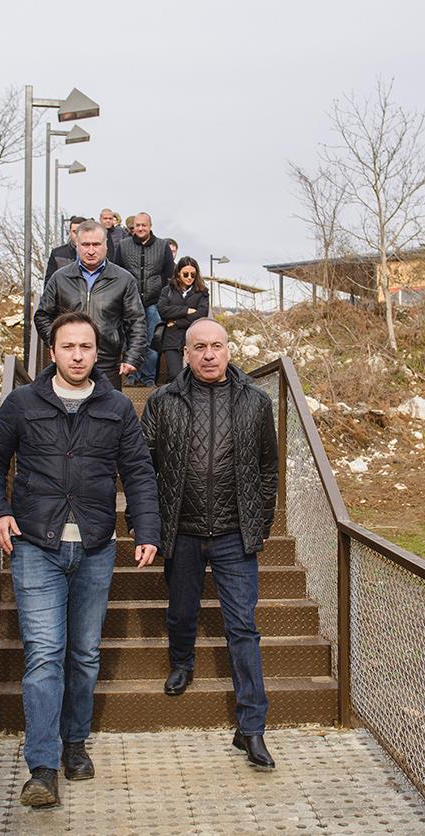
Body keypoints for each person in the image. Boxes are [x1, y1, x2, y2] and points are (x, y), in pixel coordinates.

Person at [0, 310, 160, 809]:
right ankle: (42, 767)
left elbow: (138, 471)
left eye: (86, 347)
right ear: (52, 352)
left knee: (84, 653)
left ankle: (75, 742)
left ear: (97, 353)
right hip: (36, 545)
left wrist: (146, 528)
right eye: (68, 347)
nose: (77, 356)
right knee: (43, 655)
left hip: (96, 546)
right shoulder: (23, 402)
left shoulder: (117, 407)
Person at [140, 318, 278, 770]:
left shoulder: (256, 401)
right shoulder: (162, 400)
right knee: (182, 612)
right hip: (182, 530)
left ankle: (252, 727)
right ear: (185, 353)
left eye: (217, 346)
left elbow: (268, 469)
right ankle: (182, 661)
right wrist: (148, 524)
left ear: (228, 350)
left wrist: (259, 523)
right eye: (199, 347)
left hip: (235, 535)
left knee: (243, 628)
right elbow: (142, 467)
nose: (209, 354)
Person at [34, 220, 146, 390]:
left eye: (96, 244)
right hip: (68, 362)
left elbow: (136, 320)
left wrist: (133, 357)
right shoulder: (60, 278)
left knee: (108, 407)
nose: (91, 250)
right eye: (86, 245)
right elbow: (42, 315)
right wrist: (60, 342)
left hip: (107, 363)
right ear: (77, 245)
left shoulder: (124, 279)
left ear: (106, 245)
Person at [116, 212, 174, 387]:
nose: (140, 228)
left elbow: (168, 274)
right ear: (133, 227)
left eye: (144, 225)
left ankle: (148, 378)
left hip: (153, 302)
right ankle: (132, 376)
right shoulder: (123, 246)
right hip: (129, 302)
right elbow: (117, 272)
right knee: (130, 340)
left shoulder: (162, 246)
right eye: (137, 225)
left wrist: (161, 295)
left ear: (150, 226)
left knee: (151, 342)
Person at [155, 256, 209, 385]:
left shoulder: (202, 292)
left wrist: (176, 322)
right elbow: (163, 310)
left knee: (194, 374)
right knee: (175, 374)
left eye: (193, 274)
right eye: (186, 274)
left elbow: (201, 315)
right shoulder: (167, 290)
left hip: (193, 339)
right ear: (178, 273)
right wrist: (186, 310)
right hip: (172, 339)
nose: (190, 277)